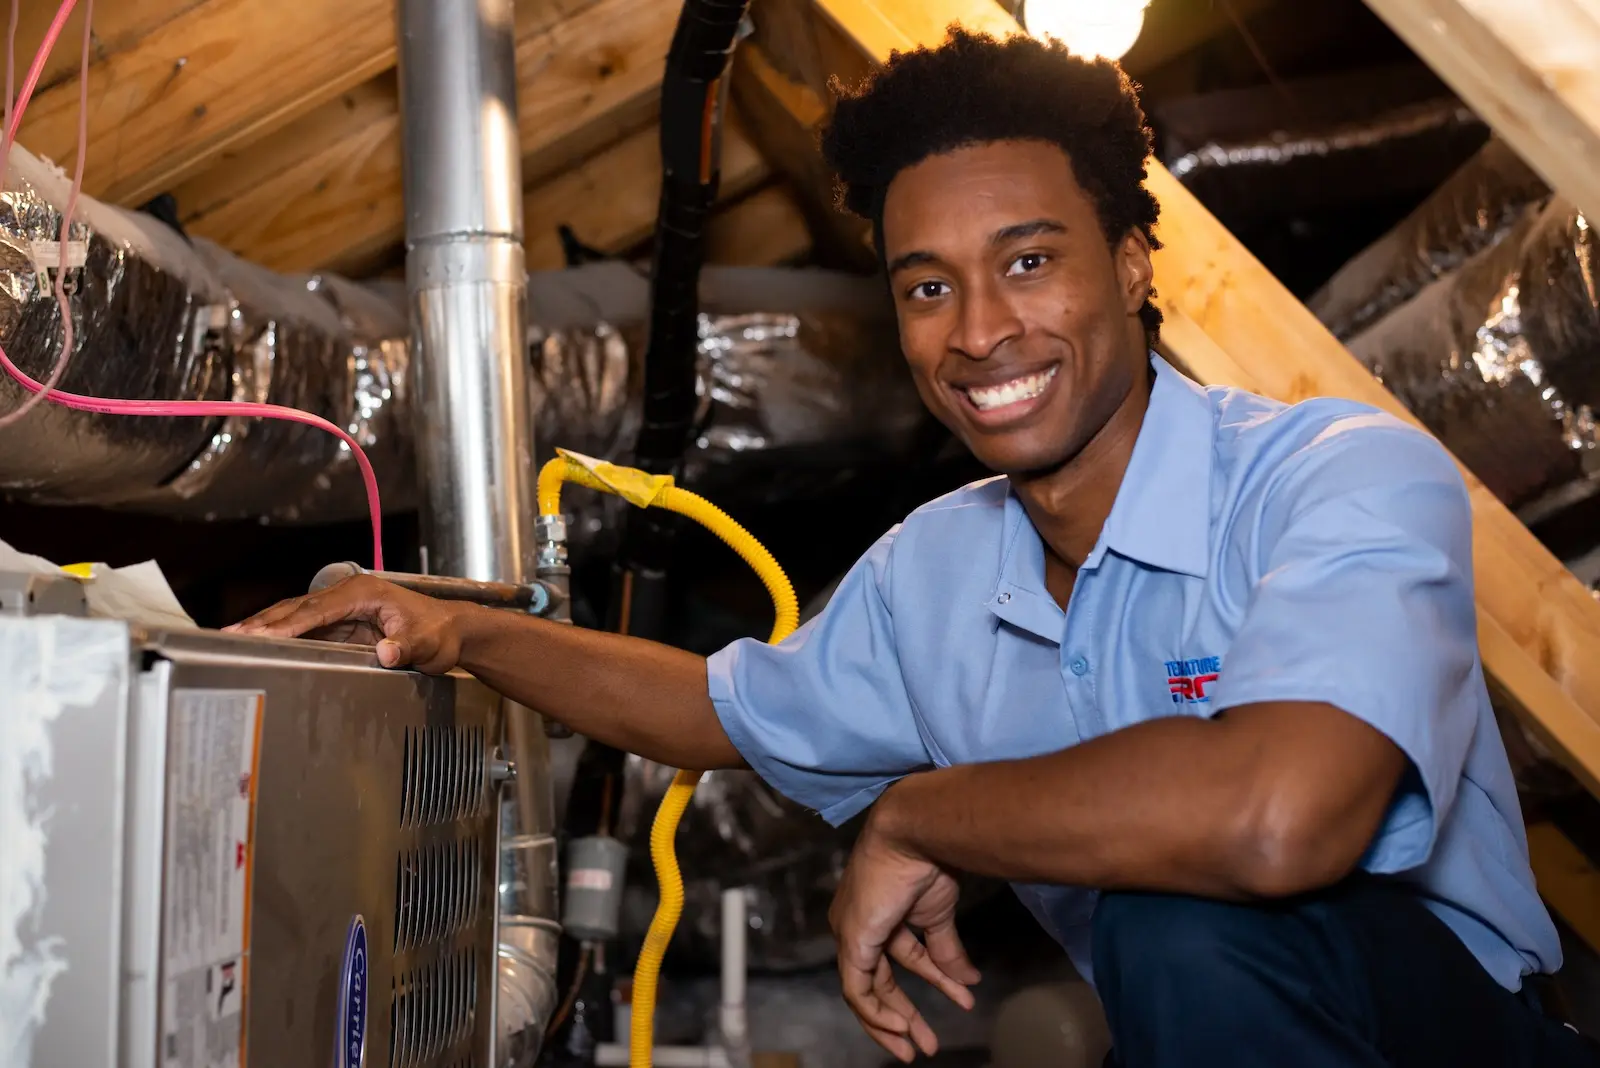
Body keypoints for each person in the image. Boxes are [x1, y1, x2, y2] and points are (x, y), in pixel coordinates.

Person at [230, 29, 1599, 1068]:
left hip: (1461, 1028)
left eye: (1028, 261)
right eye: (928, 287)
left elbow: (1276, 818)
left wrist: (922, 812)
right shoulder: (937, 570)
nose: (980, 332)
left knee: (1187, 922)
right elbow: (716, 711)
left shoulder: (1332, 478)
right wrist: (452, 626)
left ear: (1133, 259)